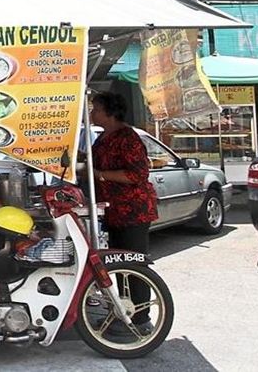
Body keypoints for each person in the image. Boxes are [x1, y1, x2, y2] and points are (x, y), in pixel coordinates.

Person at [87, 91, 158, 336]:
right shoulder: (103, 138)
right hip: (113, 210)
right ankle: (124, 311)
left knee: (134, 266)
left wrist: (100, 175)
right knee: (119, 267)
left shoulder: (127, 138)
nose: (92, 113)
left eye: (96, 109)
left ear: (110, 112)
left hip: (133, 211)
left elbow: (137, 175)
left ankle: (141, 319)